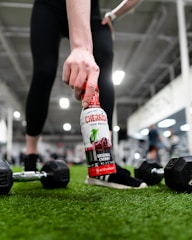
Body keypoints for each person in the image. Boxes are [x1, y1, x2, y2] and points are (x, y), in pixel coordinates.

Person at [24, 0, 147, 189]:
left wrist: (114, 15)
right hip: (48, 5)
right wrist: (81, 47)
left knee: (103, 55)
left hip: (91, 9)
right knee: (44, 71)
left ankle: (104, 161)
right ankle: (30, 154)